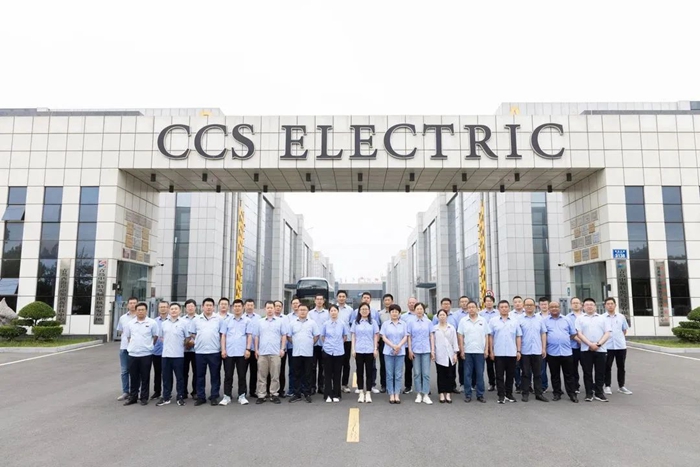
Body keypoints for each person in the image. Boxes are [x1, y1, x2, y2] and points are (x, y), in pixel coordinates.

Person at [576, 298, 612, 402]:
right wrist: (590, 344)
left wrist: (598, 344)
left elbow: (607, 333)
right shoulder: (579, 319)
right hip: (586, 349)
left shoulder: (603, 318)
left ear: (595, 306)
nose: (589, 306)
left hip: (601, 349)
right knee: (587, 372)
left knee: (600, 372)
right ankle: (589, 393)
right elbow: (579, 333)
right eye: (587, 305)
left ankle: (599, 393)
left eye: (591, 304)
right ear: (583, 307)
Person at [122, 302, 158, 406]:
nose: (140, 311)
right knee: (133, 377)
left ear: (146, 311)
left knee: (145, 377)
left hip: (146, 354)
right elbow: (128, 337)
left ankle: (144, 397)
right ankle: (133, 397)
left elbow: (155, 337)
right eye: (138, 310)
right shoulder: (130, 324)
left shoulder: (152, 323)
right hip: (133, 354)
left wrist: (149, 346)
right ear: (136, 311)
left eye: (142, 310)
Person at [219, 298, 252, 406]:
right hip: (229, 352)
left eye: (239, 306)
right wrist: (223, 349)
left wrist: (248, 349)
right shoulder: (227, 320)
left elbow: (249, 335)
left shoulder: (247, 321)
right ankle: (227, 396)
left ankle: (242, 396)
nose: (237, 308)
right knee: (228, 375)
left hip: (242, 353)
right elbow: (223, 336)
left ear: (243, 308)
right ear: (232, 308)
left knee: (242, 375)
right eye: (235, 306)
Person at [189, 297, 222, 406]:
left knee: (215, 375)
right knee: (200, 376)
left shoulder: (218, 319)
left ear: (214, 307)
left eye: (210, 305)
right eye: (206, 305)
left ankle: (214, 396)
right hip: (200, 352)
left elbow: (221, 334)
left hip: (214, 351)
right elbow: (193, 334)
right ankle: (201, 397)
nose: (208, 307)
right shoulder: (196, 320)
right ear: (202, 307)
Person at [254, 301, 287, 404]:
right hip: (263, 353)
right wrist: (256, 349)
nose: (269, 310)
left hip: (275, 352)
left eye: (271, 308)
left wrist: (282, 349)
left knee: (275, 375)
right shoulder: (260, 322)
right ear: (265, 309)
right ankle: (261, 395)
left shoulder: (280, 321)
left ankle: (274, 394)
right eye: (268, 308)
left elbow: (284, 335)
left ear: (274, 309)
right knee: (261, 375)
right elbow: (256, 336)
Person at [544, 301, 579, 403]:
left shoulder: (567, 319)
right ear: (549, 309)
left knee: (569, 375)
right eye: (552, 307)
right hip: (552, 352)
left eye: (556, 306)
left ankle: (572, 394)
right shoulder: (545, 321)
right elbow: (544, 334)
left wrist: (563, 339)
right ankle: (557, 393)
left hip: (566, 351)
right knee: (554, 375)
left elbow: (573, 334)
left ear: (559, 308)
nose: (554, 308)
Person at [489, 299, 522, 404]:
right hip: (498, 352)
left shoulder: (515, 321)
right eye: (502, 307)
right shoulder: (493, 321)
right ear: (498, 309)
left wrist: (518, 350)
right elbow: (490, 337)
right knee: (499, 375)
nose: (504, 309)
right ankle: (501, 395)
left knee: (510, 375)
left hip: (511, 352)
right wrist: (491, 350)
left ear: (509, 308)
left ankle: (509, 394)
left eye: (506, 307)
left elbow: (518, 336)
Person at [457, 300, 490, 403]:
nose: (471, 309)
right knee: (467, 374)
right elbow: (460, 336)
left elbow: (486, 335)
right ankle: (468, 394)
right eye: (469, 307)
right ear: (467, 309)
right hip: (467, 351)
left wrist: (486, 349)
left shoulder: (482, 320)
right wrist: (462, 350)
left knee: (480, 373)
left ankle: (480, 394)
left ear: (477, 308)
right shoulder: (463, 321)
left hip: (480, 351)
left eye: (473, 307)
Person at [156, 303, 188, 407]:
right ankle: (166, 397)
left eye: (176, 309)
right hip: (166, 355)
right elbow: (161, 337)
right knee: (166, 377)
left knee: (180, 378)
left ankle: (180, 397)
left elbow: (187, 338)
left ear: (180, 311)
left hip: (178, 355)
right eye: (172, 309)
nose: (174, 310)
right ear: (169, 310)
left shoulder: (184, 323)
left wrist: (180, 344)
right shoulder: (164, 323)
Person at [287, 303, 320, 403]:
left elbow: (316, 336)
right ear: (297, 311)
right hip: (296, 352)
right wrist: (295, 343)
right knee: (296, 373)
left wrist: (310, 343)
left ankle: (307, 393)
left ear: (307, 311)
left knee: (308, 374)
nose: (302, 312)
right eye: (300, 310)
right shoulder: (292, 323)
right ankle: (297, 394)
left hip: (308, 352)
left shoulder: (312, 323)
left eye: (304, 310)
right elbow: (289, 336)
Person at [519, 298, 549, 402]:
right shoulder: (519, 319)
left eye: (531, 305)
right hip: (525, 350)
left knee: (538, 373)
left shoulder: (539, 319)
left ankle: (539, 394)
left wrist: (543, 348)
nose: (529, 307)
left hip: (537, 350)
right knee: (525, 373)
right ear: (524, 306)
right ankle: (525, 393)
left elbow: (543, 333)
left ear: (534, 306)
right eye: (527, 305)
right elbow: (517, 336)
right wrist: (518, 350)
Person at [603, 298, 632, 395]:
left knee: (621, 366)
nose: (610, 305)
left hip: (620, 346)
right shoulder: (602, 318)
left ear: (615, 305)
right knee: (607, 367)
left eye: (612, 303)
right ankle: (607, 386)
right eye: (608, 304)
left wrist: (619, 338)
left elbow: (624, 330)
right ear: (605, 306)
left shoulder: (621, 317)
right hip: (607, 346)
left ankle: (621, 386)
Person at [351, 303, 379, 403]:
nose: (364, 311)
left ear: (369, 311)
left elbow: (375, 336)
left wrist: (375, 349)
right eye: (362, 309)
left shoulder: (373, 322)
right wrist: (353, 349)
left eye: (366, 309)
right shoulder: (356, 322)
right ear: (359, 311)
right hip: (359, 350)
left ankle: (368, 393)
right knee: (359, 372)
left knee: (369, 372)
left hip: (369, 350)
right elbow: (353, 336)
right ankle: (361, 392)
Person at [380, 304, 408, 404]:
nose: (394, 313)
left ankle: (397, 394)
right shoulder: (385, 324)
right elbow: (383, 337)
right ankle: (391, 394)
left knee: (398, 374)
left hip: (400, 352)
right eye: (392, 311)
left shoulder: (403, 324)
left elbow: (406, 336)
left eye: (396, 312)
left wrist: (399, 346)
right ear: (390, 313)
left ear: (399, 313)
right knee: (389, 374)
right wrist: (393, 346)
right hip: (388, 351)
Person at [321, 304, 347, 403]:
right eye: (331, 311)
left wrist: (338, 344)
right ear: (329, 312)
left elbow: (344, 336)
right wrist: (329, 344)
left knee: (337, 374)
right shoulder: (325, 324)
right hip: (327, 351)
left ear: (338, 312)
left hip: (339, 351)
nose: (333, 312)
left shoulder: (342, 324)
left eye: (335, 310)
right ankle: (328, 394)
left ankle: (336, 394)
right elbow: (323, 336)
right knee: (327, 374)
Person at [408, 302, 433, 405]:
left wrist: (432, 350)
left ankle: (426, 394)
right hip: (415, 350)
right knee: (417, 373)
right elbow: (409, 337)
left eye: (421, 309)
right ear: (414, 310)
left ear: (423, 310)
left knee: (426, 373)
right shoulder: (411, 322)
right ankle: (418, 393)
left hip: (426, 350)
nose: (419, 311)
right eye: (417, 309)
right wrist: (410, 350)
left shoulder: (428, 322)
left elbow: (431, 336)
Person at [431, 309, 458, 403]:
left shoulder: (451, 328)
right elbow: (433, 342)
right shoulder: (434, 328)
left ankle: (448, 393)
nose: (442, 317)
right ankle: (442, 393)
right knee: (441, 374)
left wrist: (455, 353)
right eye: (440, 315)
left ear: (447, 316)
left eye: (444, 315)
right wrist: (433, 352)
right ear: (437, 317)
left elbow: (455, 341)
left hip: (450, 354)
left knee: (450, 374)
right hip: (439, 354)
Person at [116, 296, 138, 401]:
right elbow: (120, 331)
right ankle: (125, 392)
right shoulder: (123, 318)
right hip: (124, 348)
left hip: (137, 349)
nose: (132, 305)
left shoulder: (141, 317)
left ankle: (136, 391)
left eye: (134, 303)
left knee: (136, 371)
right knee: (124, 371)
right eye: (131, 303)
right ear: (127, 305)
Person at [309, 294, 329, 395]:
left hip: (324, 344)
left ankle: (321, 386)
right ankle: (312, 387)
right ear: (315, 301)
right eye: (318, 299)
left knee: (323, 367)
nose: (319, 301)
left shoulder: (328, 313)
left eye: (321, 299)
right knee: (312, 367)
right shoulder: (310, 313)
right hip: (313, 343)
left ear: (323, 301)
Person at [268, 300, 288, 397]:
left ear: (282, 308)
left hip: (281, 349)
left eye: (280, 306)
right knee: (269, 371)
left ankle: (280, 390)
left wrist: (282, 348)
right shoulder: (267, 319)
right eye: (276, 306)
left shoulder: (285, 318)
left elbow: (285, 333)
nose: (278, 308)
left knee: (281, 371)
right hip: (270, 349)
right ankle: (269, 390)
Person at [335, 291, 354, 393]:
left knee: (346, 362)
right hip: (335, 340)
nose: (341, 298)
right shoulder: (333, 308)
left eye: (343, 296)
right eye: (340, 296)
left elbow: (351, 324)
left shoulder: (350, 310)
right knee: (335, 363)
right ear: (337, 297)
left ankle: (344, 384)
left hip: (347, 340)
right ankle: (335, 383)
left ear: (346, 298)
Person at [151, 300, 169, 400]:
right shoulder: (154, 322)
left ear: (168, 308)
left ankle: (167, 392)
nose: (163, 309)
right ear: (158, 309)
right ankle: (157, 391)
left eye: (165, 307)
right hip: (157, 351)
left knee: (167, 373)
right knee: (157, 372)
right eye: (161, 307)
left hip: (169, 351)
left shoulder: (172, 320)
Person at [479, 295, 498, 392]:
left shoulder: (498, 313)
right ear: (484, 303)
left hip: (497, 341)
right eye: (487, 301)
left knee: (499, 365)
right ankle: (492, 383)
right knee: (489, 365)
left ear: (493, 302)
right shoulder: (480, 314)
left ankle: (500, 382)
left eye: (490, 301)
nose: (489, 303)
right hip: (485, 341)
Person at [400, 297, 418, 394]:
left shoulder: (423, 315)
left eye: (413, 302)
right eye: (410, 303)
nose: (412, 304)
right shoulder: (403, 317)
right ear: (407, 304)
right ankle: (408, 386)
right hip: (407, 346)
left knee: (421, 369)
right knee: (408, 367)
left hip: (419, 346)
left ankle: (423, 387)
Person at [376, 293, 394, 393]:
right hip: (383, 341)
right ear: (383, 302)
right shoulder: (380, 314)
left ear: (392, 301)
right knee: (383, 363)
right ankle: (384, 384)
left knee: (395, 363)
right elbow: (378, 328)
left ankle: (394, 384)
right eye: (385, 300)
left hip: (395, 341)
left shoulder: (397, 312)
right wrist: (377, 341)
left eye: (389, 300)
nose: (387, 302)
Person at [452, 296, 470, 392]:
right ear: (459, 303)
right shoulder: (455, 315)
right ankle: (462, 383)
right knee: (462, 365)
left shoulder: (474, 313)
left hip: (472, 343)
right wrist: (458, 344)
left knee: (472, 365)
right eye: (462, 301)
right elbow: (456, 331)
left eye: (466, 301)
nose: (464, 303)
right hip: (460, 343)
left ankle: (472, 384)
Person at [243, 299, 260, 398]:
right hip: (244, 349)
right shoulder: (241, 317)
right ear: (245, 306)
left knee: (254, 372)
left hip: (255, 349)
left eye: (251, 305)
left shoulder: (259, 318)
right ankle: (243, 392)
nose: (249, 307)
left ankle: (252, 391)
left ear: (254, 306)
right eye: (248, 305)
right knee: (243, 372)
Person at [567, 297, 584, 394]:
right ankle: (575, 386)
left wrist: (584, 342)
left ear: (581, 304)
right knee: (573, 368)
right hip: (573, 346)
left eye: (577, 302)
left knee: (587, 368)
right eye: (574, 303)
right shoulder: (567, 318)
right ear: (571, 305)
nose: (576, 304)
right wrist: (579, 340)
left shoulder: (585, 316)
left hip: (585, 346)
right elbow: (568, 332)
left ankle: (590, 386)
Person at [509, 295, 525, 393]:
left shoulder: (528, 313)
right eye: (515, 302)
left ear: (522, 303)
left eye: (519, 301)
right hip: (514, 344)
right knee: (516, 366)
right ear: (513, 304)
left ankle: (527, 384)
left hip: (527, 344)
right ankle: (518, 384)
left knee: (527, 367)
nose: (517, 303)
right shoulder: (510, 315)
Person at [182, 299, 198, 399]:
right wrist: (186, 343)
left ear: (195, 307)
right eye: (188, 306)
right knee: (184, 372)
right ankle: (184, 392)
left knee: (197, 372)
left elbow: (200, 333)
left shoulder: (199, 319)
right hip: (184, 350)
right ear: (185, 308)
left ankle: (195, 392)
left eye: (192, 306)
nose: (190, 308)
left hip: (196, 350)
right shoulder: (182, 320)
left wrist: (193, 342)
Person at [286, 297, 301, 397]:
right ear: (291, 305)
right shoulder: (288, 317)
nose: (295, 305)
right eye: (293, 303)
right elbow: (287, 333)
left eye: (297, 303)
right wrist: (294, 343)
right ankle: (291, 389)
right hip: (292, 347)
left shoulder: (306, 315)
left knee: (303, 369)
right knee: (292, 369)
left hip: (304, 348)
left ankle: (302, 389)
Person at [538, 297, 550, 393]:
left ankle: (557, 388)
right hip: (541, 345)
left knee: (555, 369)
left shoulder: (553, 315)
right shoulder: (536, 317)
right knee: (542, 368)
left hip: (553, 346)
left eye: (545, 304)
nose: (544, 306)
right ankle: (543, 386)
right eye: (542, 304)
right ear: (539, 306)